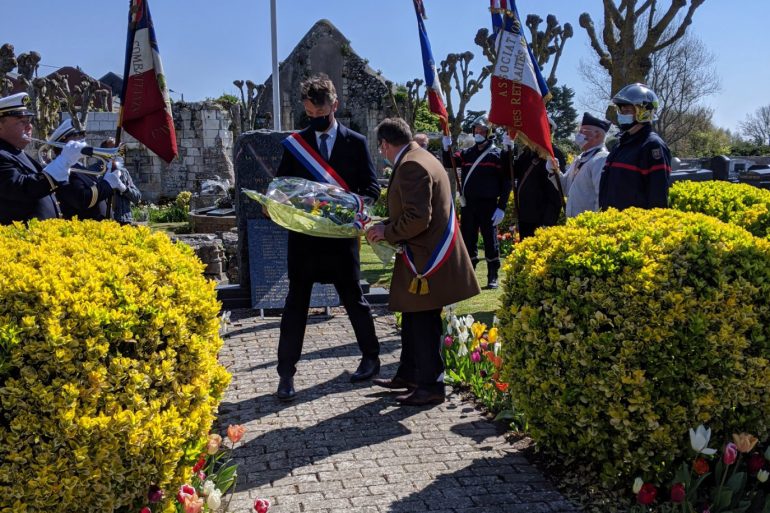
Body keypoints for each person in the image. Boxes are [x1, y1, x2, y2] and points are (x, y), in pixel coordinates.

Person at [274, 73, 381, 401]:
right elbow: (282, 187)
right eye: (311, 116)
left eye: (323, 115)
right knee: (295, 306)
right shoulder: (296, 145)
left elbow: (372, 189)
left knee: (355, 301)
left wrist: (348, 205)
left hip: (340, 243)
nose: (318, 121)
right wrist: (276, 203)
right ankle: (286, 375)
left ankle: (371, 358)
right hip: (305, 243)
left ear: (335, 105)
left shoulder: (356, 142)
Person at [367, 118, 480, 406]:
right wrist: (387, 224)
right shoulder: (421, 157)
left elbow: (418, 218)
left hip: (426, 261)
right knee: (412, 319)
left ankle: (430, 385)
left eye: (381, 148)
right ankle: (410, 374)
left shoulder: (410, 165)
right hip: (422, 254)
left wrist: (386, 231)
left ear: (385, 144)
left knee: (423, 323)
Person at [441, 115, 511, 289]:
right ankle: (468, 273)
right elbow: (449, 163)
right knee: (468, 239)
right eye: (476, 130)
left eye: (482, 130)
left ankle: (492, 275)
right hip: (469, 205)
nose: (478, 133)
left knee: (490, 240)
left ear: (488, 133)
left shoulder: (498, 155)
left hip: (489, 205)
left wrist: (501, 207)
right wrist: (445, 147)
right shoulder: (467, 153)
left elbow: (507, 182)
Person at [0, 92, 85, 225]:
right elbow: (22, 188)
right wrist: (62, 163)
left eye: (29, 121)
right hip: (21, 240)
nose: (29, 127)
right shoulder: (2, 154)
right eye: (22, 121)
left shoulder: (15, 152)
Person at [599, 83, 671, 210]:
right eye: (620, 110)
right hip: (611, 224)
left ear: (644, 112)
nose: (621, 114)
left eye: (627, 110)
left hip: (634, 226)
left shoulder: (653, 146)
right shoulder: (620, 145)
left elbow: (658, 197)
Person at [50, 119, 125, 220]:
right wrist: (107, 184)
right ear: (64, 143)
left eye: (80, 135)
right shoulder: (65, 170)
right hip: (83, 228)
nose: (80, 139)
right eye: (75, 136)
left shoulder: (79, 167)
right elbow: (82, 199)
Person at [508, 117, 565, 240]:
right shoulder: (528, 152)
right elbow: (512, 172)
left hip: (543, 218)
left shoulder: (554, 154)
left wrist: (548, 221)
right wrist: (509, 150)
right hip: (525, 215)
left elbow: (556, 191)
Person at [559, 112, 610, 217]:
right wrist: (554, 171)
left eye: (583, 131)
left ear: (598, 135)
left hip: (587, 226)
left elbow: (600, 197)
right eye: (579, 131)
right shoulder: (580, 158)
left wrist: (595, 224)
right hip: (573, 222)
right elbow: (565, 188)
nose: (579, 135)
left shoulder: (601, 158)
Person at [100, 137, 142, 225]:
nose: (119, 153)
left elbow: (137, 197)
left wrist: (124, 189)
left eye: (120, 150)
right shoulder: (96, 170)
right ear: (104, 152)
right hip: (103, 221)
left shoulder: (124, 172)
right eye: (114, 149)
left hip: (124, 220)